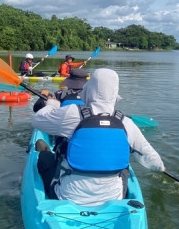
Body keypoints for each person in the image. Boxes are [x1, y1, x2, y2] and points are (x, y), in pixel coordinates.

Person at [31, 68, 165, 206]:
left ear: (90, 88)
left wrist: (51, 104)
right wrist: (161, 168)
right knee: (125, 168)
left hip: (68, 196)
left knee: (44, 157)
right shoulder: (126, 123)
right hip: (115, 198)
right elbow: (153, 159)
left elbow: (37, 120)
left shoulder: (71, 113)